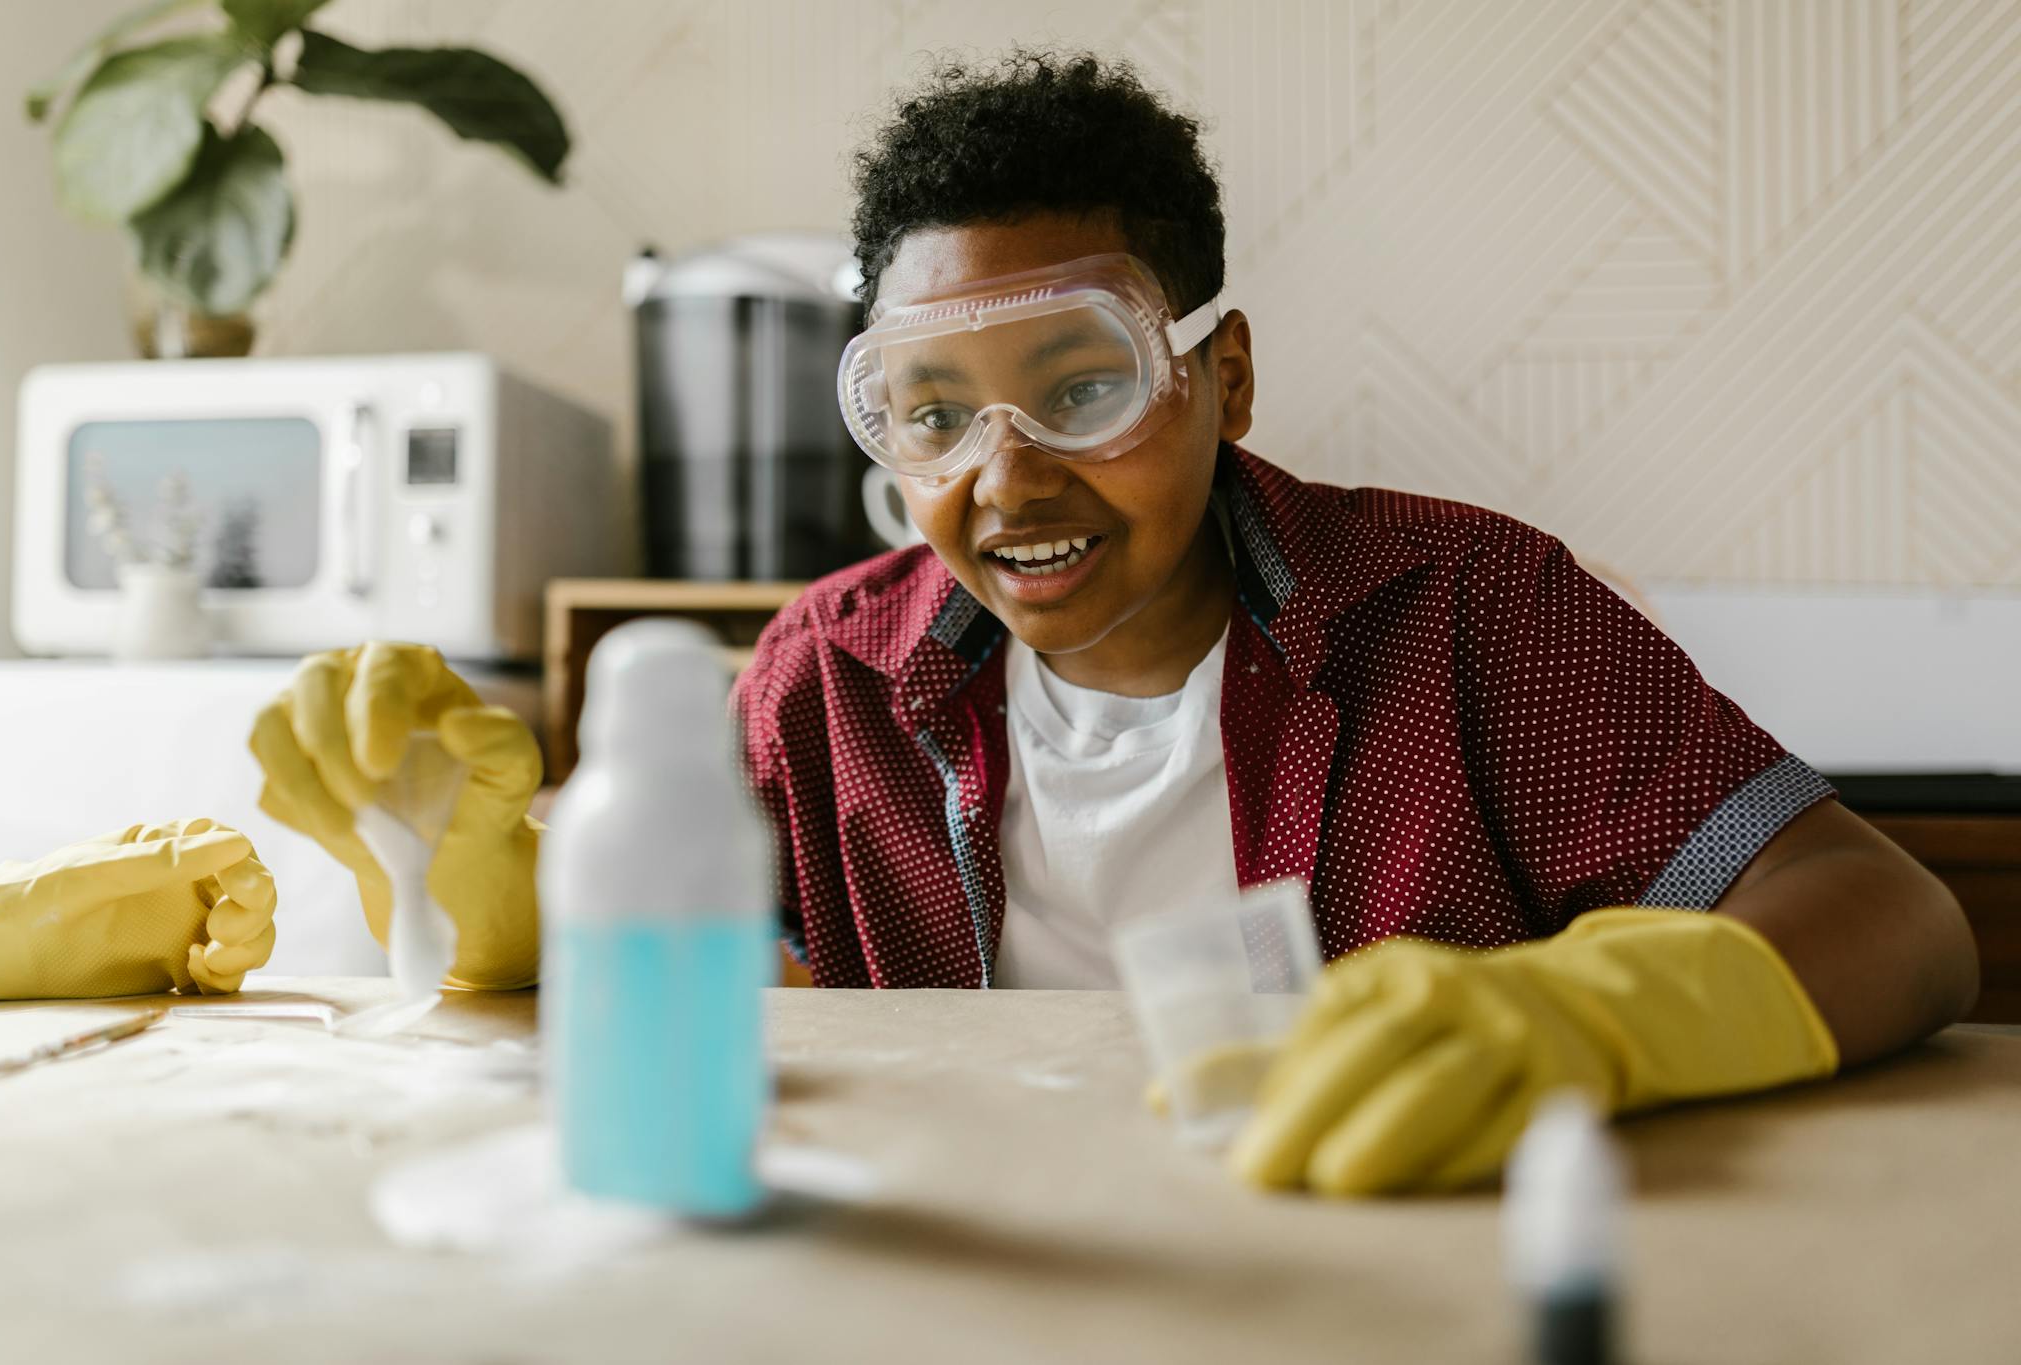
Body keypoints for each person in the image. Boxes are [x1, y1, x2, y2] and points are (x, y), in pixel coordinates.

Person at [252, 51, 1978, 1196]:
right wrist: (477, 870)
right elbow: (657, 949)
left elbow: (1890, 919)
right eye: (931, 409)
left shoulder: (1470, 614)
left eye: (1081, 382)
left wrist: (1593, 1018)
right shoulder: (830, 678)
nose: (1008, 478)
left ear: (1219, 375)